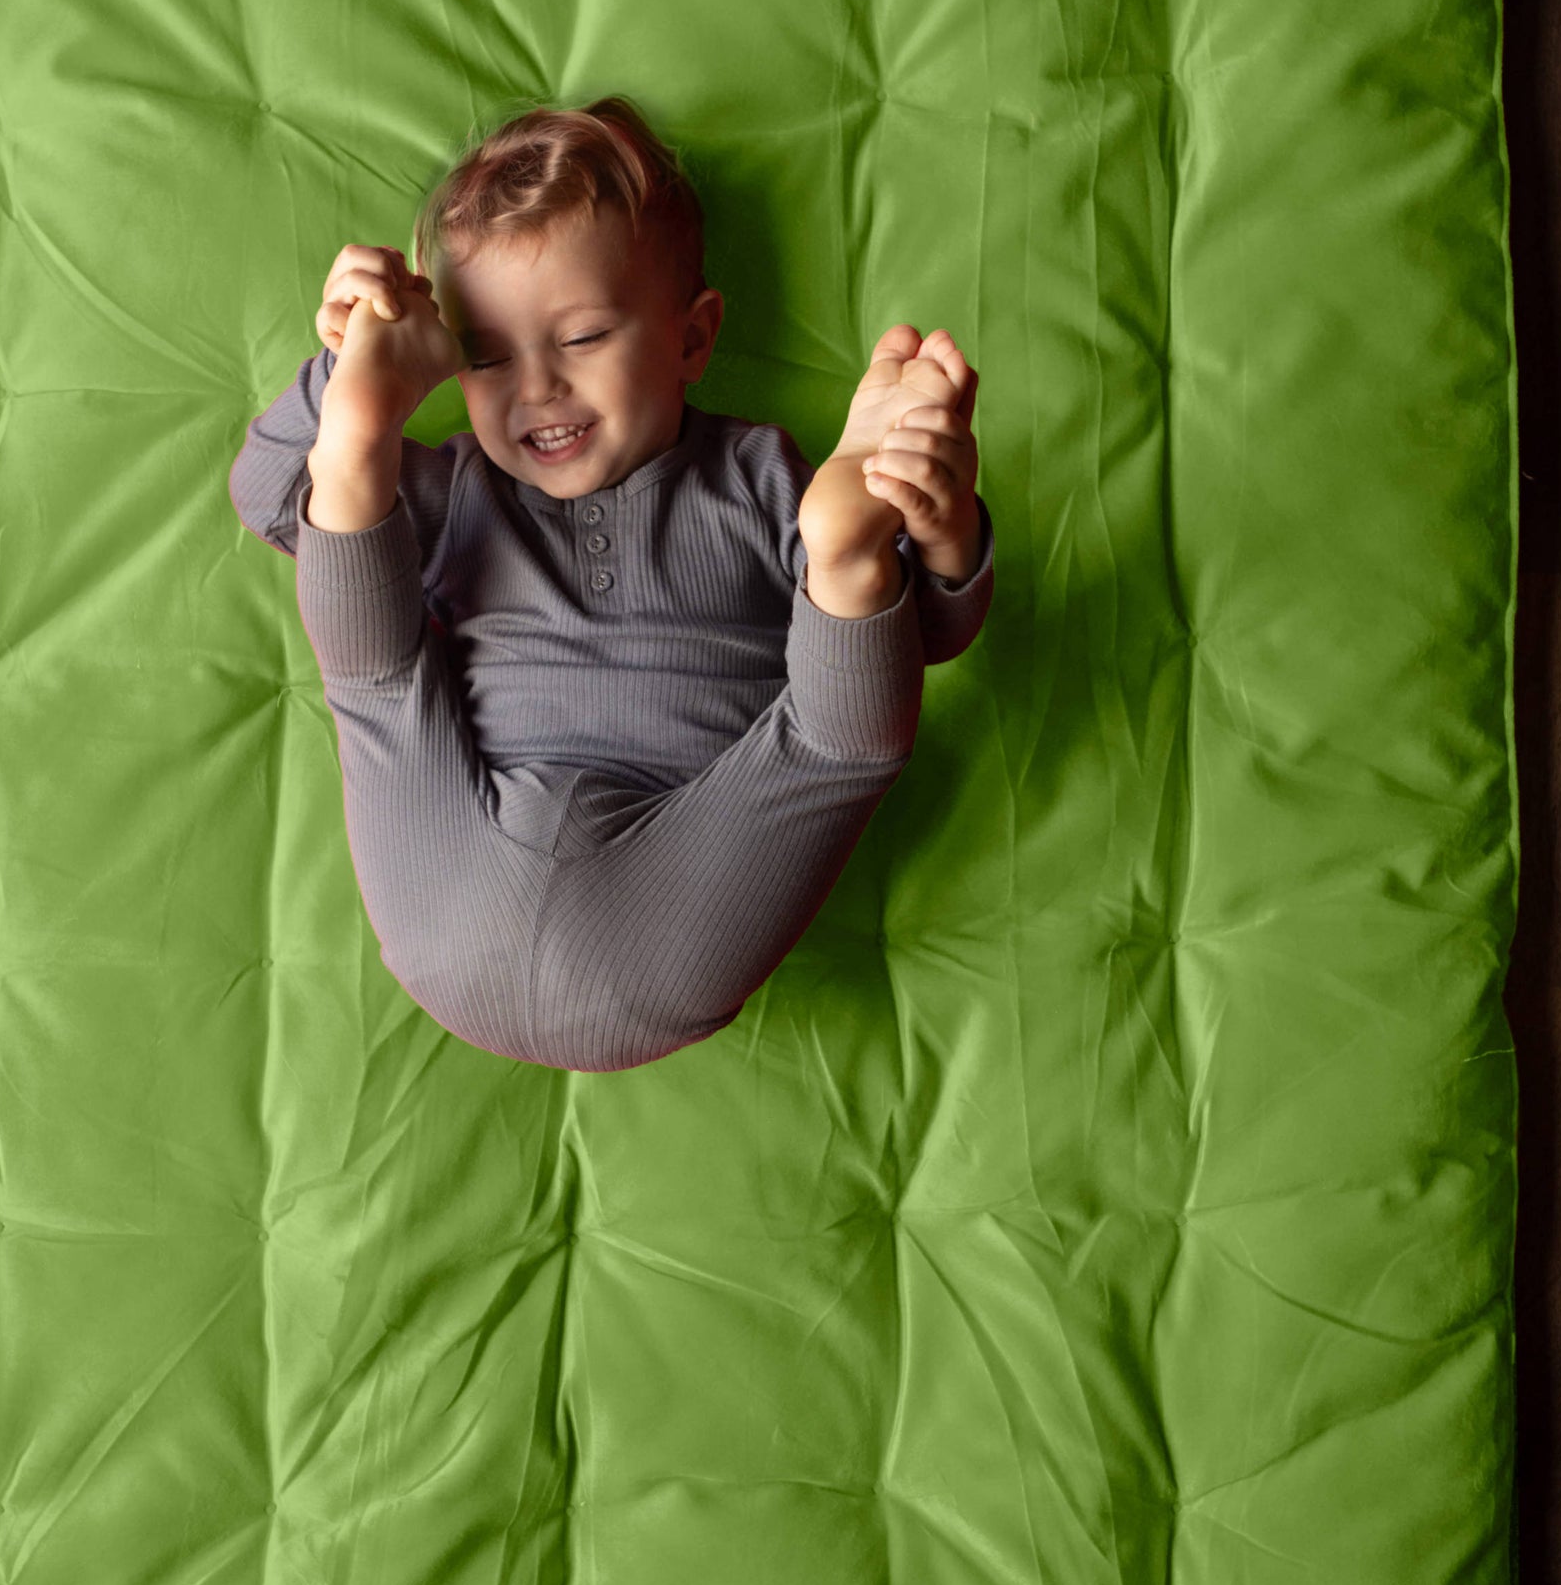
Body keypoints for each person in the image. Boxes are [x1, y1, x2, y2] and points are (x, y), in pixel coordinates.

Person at [227, 96, 994, 1071]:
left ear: (690, 337)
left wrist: (936, 523)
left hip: (681, 877)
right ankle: (356, 435)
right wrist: (341, 368)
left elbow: (918, 632)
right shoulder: (455, 482)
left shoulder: (759, 478)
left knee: (844, 733)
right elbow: (265, 497)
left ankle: (848, 547)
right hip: (451, 864)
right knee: (372, 656)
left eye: (582, 338)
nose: (536, 386)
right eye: (487, 355)